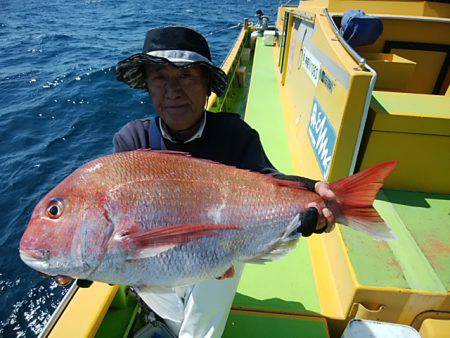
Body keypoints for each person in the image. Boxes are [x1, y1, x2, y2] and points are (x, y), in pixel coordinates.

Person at [114, 26, 337, 337]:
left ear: (207, 85)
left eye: (187, 76)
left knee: (203, 315)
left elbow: (265, 180)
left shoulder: (235, 135)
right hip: (157, 257)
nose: (173, 90)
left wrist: (306, 191)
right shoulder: (132, 141)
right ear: (148, 85)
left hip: (220, 252)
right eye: (160, 77)